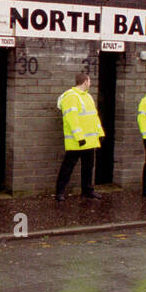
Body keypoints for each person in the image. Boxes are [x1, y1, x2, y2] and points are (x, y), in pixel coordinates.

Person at [55, 72, 105, 200]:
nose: (90, 83)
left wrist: (100, 133)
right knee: (68, 167)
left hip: (89, 140)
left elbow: (94, 116)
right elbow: (71, 119)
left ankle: (88, 190)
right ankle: (59, 192)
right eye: (89, 81)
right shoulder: (71, 97)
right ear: (85, 82)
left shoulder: (88, 97)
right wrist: (79, 137)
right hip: (77, 141)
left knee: (88, 167)